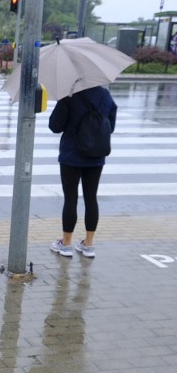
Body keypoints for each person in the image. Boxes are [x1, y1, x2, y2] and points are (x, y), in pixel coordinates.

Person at [48, 86, 117, 258]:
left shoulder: (69, 95)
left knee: (70, 199)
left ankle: (66, 244)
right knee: (91, 197)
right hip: (96, 155)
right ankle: (88, 244)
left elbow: (55, 126)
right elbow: (111, 125)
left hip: (71, 155)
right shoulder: (105, 94)